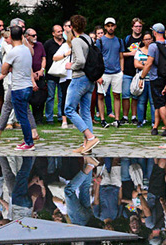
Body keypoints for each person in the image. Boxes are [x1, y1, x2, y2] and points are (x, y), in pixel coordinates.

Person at [64, 14, 100, 154]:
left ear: (72, 27)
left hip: (79, 78)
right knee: (85, 111)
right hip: (90, 79)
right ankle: (87, 145)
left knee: (69, 109)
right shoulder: (88, 39)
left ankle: (90, 137)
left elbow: (80, 62)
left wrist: (70, 66)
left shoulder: (77, 41)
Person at [0, 25, 36, 151]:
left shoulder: (12, 52)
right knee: (24, 113)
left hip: (18, 87)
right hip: (28, 86)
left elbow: (3, 70)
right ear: (21, 36)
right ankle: (27, 139)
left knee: (22, 117)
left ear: (10, 37)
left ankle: (29, 142)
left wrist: (9, 66)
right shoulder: (26, 49)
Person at [138, 23, 166, 136]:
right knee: (159, 103)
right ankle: (155, 126)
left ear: (155, 32)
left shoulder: (153, 46)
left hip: (155, 77)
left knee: (160, 103)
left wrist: (142, 77)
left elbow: (148, 64)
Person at [96, 17, 125, 127]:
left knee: (117, 95)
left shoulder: (119, 40)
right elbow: (97, 58)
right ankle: (103, 119)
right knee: (101, 96)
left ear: (115, 26)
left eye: (112, 25)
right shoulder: (100, 41)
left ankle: (117, 119)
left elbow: (121, 56)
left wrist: (121, 70)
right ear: (105, 27)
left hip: (117, 72)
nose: (110, 28)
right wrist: (98, 74)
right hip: (104, 72)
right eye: (108, 26)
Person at [121, 18, 144, 125]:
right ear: (132, 27)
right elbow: (121, 54)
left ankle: (134, 116)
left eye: (140, 26)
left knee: (135, 95)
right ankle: (125, 116)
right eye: (136, 26)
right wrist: (130, 54)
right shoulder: (127, 39)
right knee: (125, 95)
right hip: (127, 70)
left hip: (139, 72)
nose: (138, 28)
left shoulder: (144, 40)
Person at [44, 24, 66, 123]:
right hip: (51, 74)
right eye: (58, 31)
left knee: (62, 96)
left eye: (61, 31)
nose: (61, 33)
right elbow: (44, 57)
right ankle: (49, 117)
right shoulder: (48, 44)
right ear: (53, 33)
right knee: (50, 96)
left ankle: (61, 116)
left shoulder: (66, 43)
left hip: (62, 74)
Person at [133, 31, 156, 128]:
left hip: (152, 79)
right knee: (141, 101)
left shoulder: (155, 50)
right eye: (146, 39)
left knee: (152, 102)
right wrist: (147, 66)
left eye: (149, 39)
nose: (148, 41)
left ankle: (154, 121)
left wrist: (144, 64)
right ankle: (140, 120)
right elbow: (136, 64)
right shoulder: (139, 51)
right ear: (143, 40)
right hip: (142, 79)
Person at [25, 28, 47, 124]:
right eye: (33, 35)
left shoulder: (40, 45)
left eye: (36, 35)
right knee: (31, 97)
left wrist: (41, 70)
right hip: (28, 75)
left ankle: (39, 118)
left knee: (41, 96)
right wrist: (32, 74)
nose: (35, 37)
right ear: (27, 36)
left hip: (40, 74)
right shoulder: (24, 47)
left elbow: (44, 58)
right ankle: (30, 118)